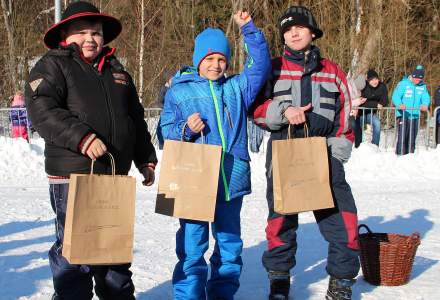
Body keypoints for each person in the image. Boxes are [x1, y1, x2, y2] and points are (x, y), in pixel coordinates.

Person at [24, 2, 157, 299]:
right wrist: (82, 137)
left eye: (95, 32)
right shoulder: (53, 64)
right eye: (81, 32)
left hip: (112, 178)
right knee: (76, 255)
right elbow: (42, 109)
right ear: (66, 36)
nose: (90, 39)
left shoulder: (118, 72)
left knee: (113, 253)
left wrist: (145, 158)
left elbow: (134, 117)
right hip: (73, 177)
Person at [158, 11, 271, 299]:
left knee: (229, 244)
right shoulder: (179, 92)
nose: (216, 64)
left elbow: (260, 66)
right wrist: (186, 129)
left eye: (221, 59)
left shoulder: (237, 88)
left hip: (231, 179)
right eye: (209, 59)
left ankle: (222, 294)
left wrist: (248, 29)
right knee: (192, 246)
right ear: (198, 60)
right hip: (193, 180)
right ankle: (189, 295)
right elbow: (165, 132)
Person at [250, 6, 359, 300]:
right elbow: (257, 109)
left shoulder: (333, 70)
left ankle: (341, 282)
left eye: (299, 27)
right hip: (284, 153)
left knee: (341, 218)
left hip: (324, 154)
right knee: (281, 220)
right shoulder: (271, 68)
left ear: (312, 32)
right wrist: (284, 111)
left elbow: (346, 110)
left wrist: (338, 149)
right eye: (287, 29)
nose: (294, 33)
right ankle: (279, 281)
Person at [392, 65, 430, 155]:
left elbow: (426, 97)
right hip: (403, 114)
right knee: (402, 137)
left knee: (412, 138)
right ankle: (400, 155)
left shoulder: (423, 86)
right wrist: (399, 104)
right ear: (412, 76)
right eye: (416, 78)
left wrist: (425, 104)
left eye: (419, 79)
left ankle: (410, 156)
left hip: (415, 115)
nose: (417, 81)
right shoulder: (403, 84)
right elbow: (395, 96)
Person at [354, 69, 388, 147]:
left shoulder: (382, 86)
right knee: (359, 127)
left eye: (376, 79)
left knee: (377, 124)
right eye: (371, 80)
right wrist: (375, 104)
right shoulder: (363, 86)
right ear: (368, 80)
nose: (374, 82)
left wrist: (381, 104)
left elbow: (385, 99)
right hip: (360, 113)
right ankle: (358, 147)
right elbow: (361, 102)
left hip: (371, 113)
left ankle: (375, 146)